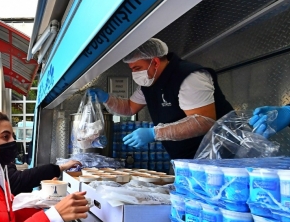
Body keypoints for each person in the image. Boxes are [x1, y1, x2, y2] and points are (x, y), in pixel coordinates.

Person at [87, 38, 234, 160]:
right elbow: (129, 107)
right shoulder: (150, 83)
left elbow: (204, 121)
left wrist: (154, 133)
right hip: (185, 157)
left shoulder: (189, 77)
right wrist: (106, 98)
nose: (134, 74)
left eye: (137, 68)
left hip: (219, 156)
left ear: (155, 62)